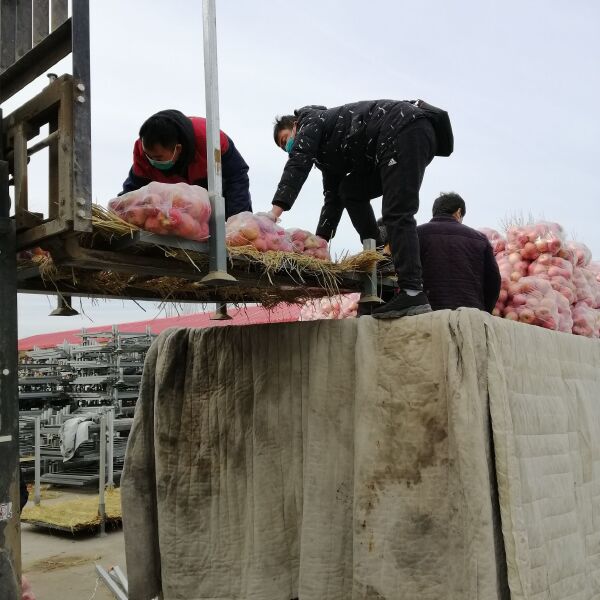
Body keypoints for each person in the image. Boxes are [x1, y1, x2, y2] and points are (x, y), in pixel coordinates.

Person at [269, 99, 453, 318]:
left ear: (295, 126)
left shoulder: (311, 121)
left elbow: (298, 164)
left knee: (397, 212)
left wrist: (273, 214)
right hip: (395, 141)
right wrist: (319, 242)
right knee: (350, 190)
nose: (287, 147)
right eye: (282, 147)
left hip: (403, 129)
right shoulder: (327, 157)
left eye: (285, 139)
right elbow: (333, 199)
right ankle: (377, 253)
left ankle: (412, 291)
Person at [379, 192, 501, 313]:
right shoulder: (480, 239)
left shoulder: (414, 236)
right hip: (469, 316)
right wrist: (484, 309)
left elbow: (394, 272)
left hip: (425, 315)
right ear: (458, 212)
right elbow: (493, 281)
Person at [120, 109, 252, 219]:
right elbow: (132, 191)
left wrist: (236, 221)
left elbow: (237, 177)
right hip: (174, 211)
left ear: (177, 149)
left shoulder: (211, 140)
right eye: (149, 156)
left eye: (158, 158)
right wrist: (121, 211)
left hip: (214, 192)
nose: (152, 161)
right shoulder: (143, 152)